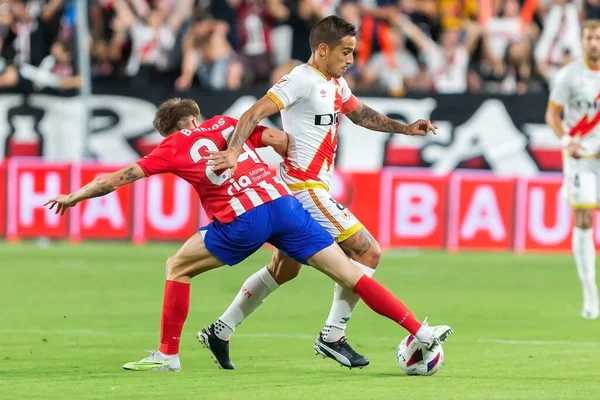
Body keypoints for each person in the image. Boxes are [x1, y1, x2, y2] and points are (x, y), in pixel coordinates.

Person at [43, 98, 452, 371]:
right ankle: (420, 331)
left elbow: (117, 179)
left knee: (177, 266)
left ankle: (167, 355)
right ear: (195, 117)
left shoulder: (171, 147)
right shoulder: (225, 124)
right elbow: (280, 140)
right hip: (284, 205)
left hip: (243, 220)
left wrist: (74, 197)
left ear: (175, 128)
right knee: (351, 273)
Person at [205, 15, 444, 369]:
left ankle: (220, 330)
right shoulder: (301, 79)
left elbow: (361, 115)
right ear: (322, 49)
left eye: (353, 52)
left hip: (302, 189)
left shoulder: (335, 84)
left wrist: (406, 129)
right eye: (345, 52)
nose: (350, 60)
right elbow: (253, 113)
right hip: (302, 188)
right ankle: (333, 335)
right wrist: (235, 151)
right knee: (368, 252)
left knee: (283, 271)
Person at [545, 19, 600, 320]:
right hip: (581, 157)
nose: (594, 43)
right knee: (583, 218)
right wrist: (566, 139)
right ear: (582, 41)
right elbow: (552, 114)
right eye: (590, 38)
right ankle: (590, 293)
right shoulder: (570, 75)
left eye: (598, 38)